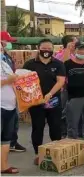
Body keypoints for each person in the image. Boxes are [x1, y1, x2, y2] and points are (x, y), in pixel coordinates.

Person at [23, 39, 65, 165]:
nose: (46, 51)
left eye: (49, 49)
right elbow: (23, 82)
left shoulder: (58, 64)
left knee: (55, 127)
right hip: (36, 102)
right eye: (44, 48)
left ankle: (55, 152)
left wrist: (50, 94)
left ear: (52, 50)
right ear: (38, 48)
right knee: (37, 128)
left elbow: (60, 81)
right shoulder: (30, 64)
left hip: (54, 101)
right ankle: (38, 154)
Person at [0, 31, 26, 153]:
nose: (9, 44)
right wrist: (7, 80)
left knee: (11, 126)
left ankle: (12, 142)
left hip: (10, 101)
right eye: (7, 42)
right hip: (2, 103)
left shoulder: (6, 58)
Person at [0, 34, 19, 174]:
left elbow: (13, 81)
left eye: (1, 48)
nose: (2, 49)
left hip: (10, 106)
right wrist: (8, 80)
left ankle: (4, 166)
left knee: (6, 138)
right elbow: (8, 80)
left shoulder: (4, 63)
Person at [55, 35, 78, 138]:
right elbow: (65, 65)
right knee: (63, 110)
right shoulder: (60, 54)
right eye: (75, 43)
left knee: (71, 110)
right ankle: (62, 132)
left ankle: (70, 131)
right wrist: (68, 50)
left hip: (73, 86)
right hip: (64, 88)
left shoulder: (74, 55)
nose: (76, 45)